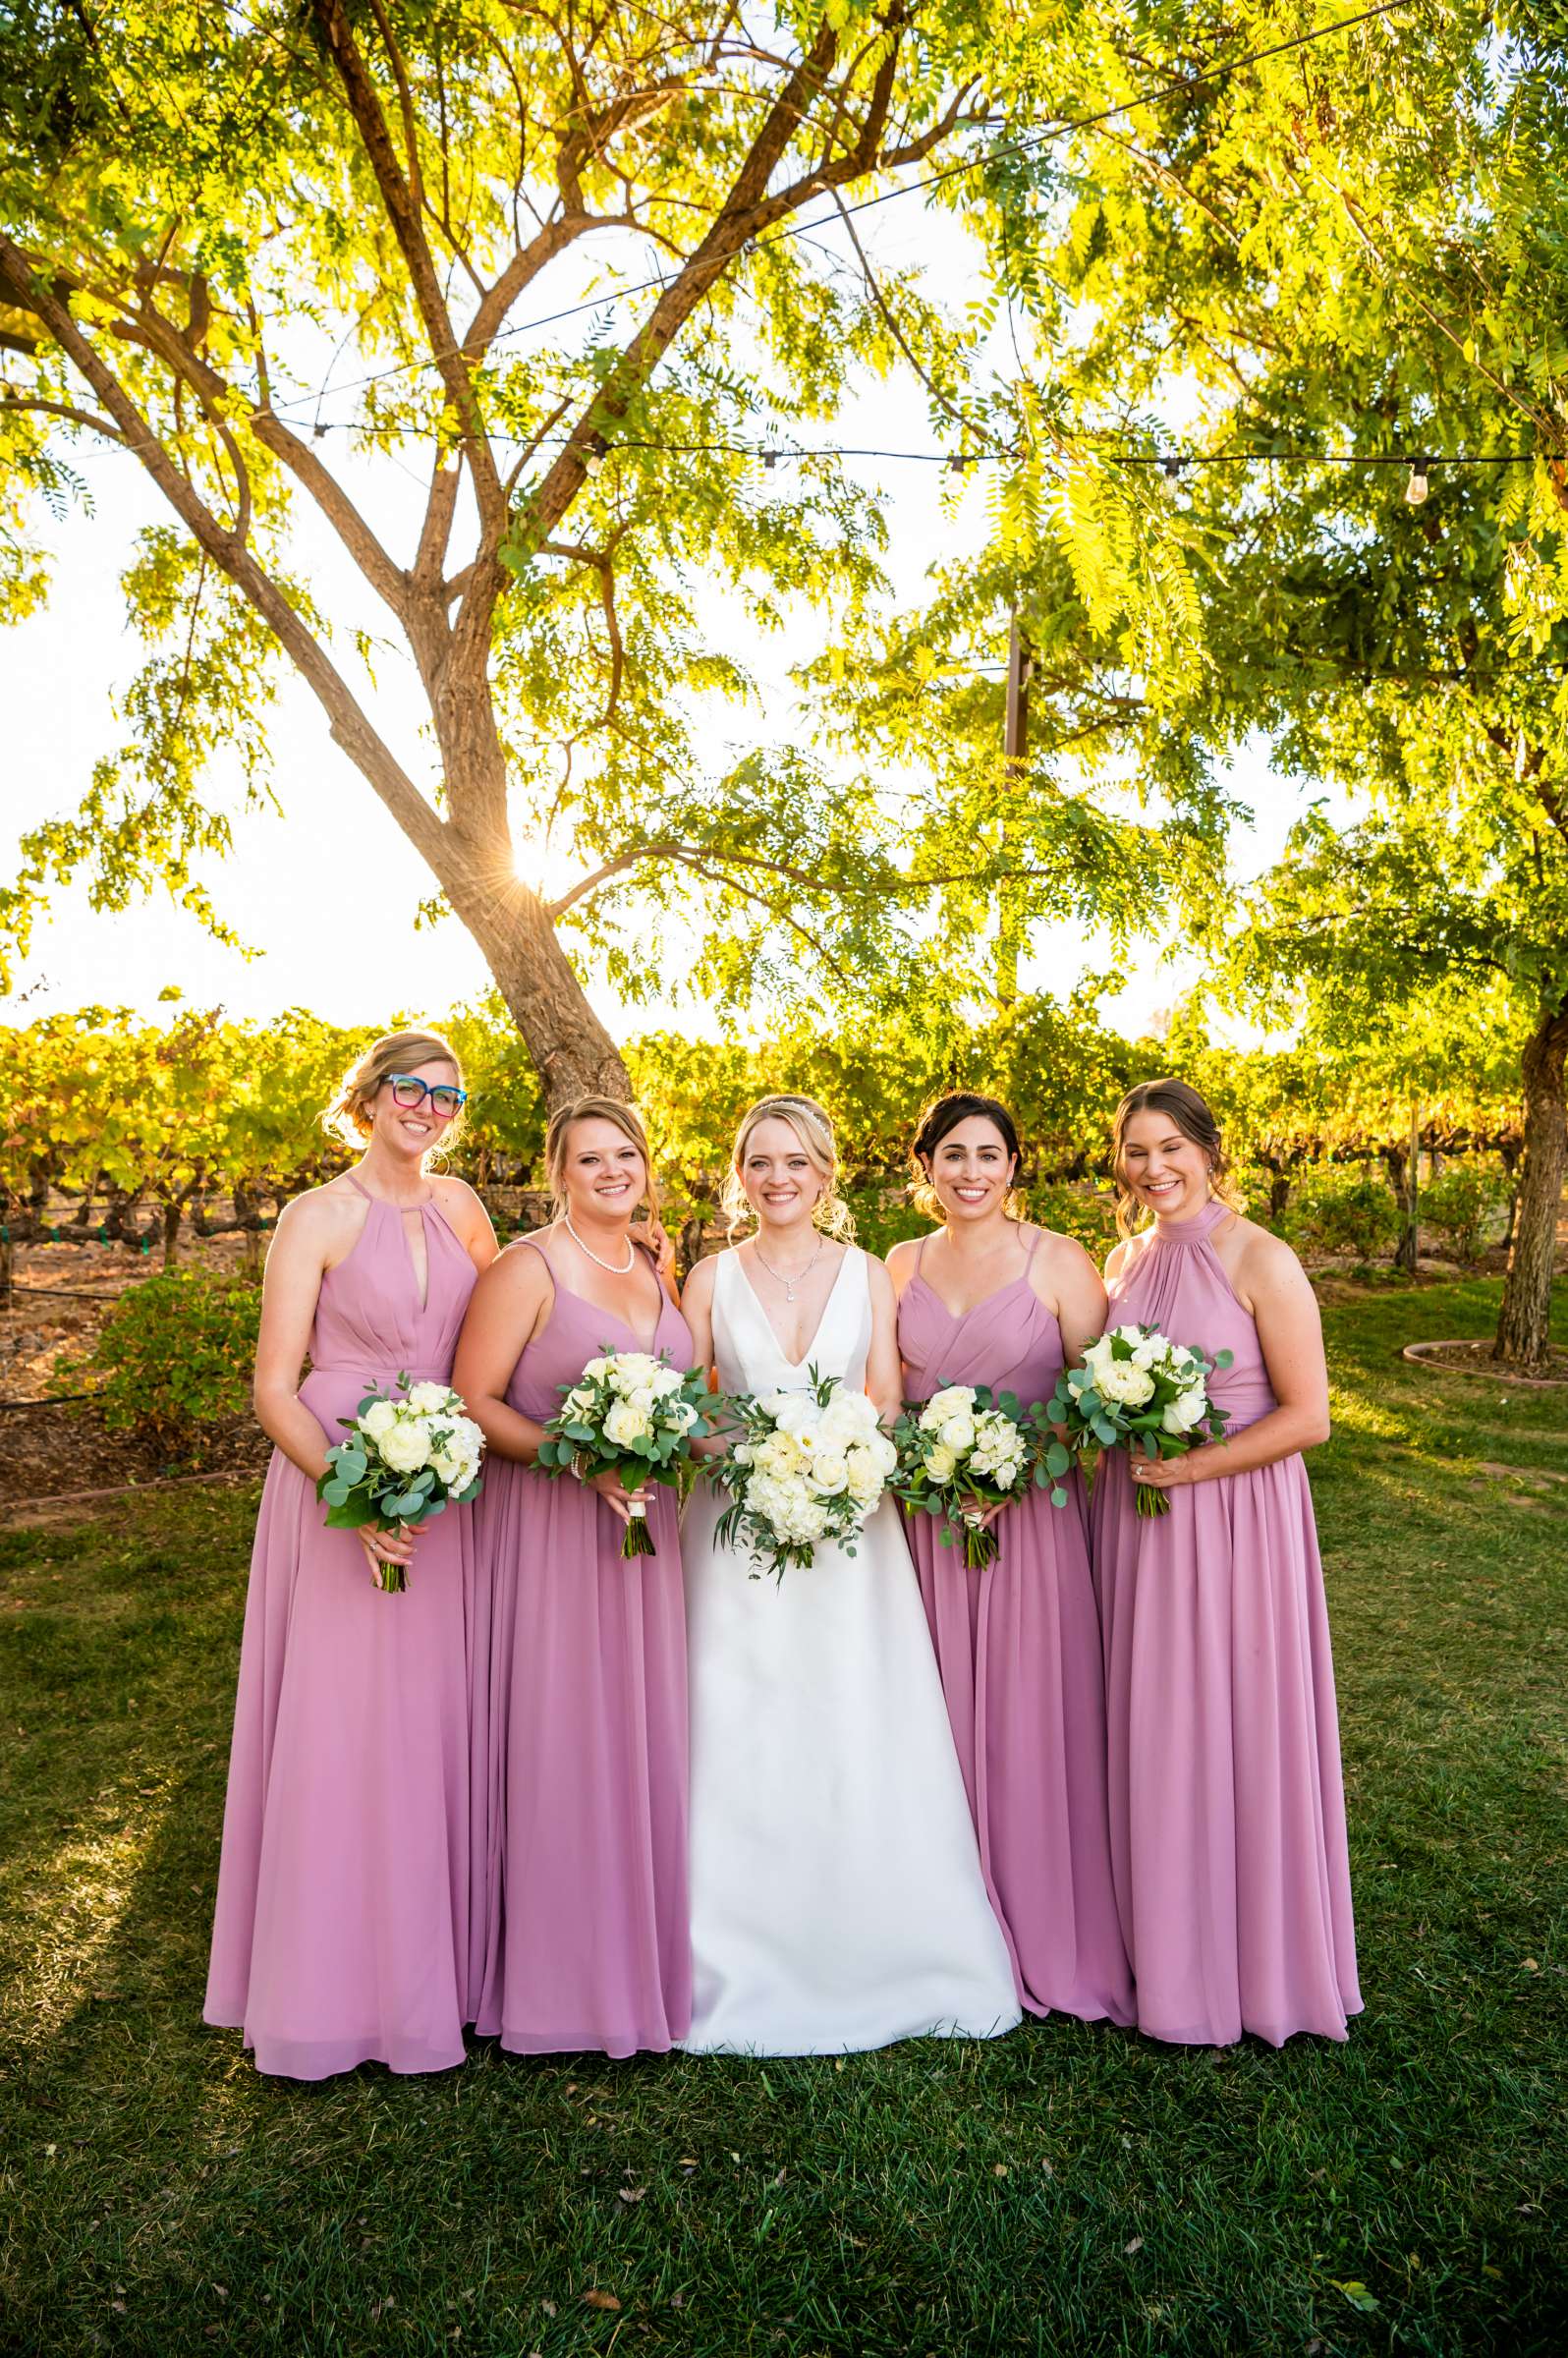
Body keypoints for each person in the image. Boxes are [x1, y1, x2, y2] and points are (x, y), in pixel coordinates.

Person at [677, 1093, 1020, 2055]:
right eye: (761, 1162)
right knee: (740, 1720)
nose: (779, 1178)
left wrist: (836, 1467)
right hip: (736, 1531)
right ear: (739, 1175)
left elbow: (883, 1398)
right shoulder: (710, 1276)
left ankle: (884, 1936)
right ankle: (730, 1947)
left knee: (852, 1717)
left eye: (797, 1162)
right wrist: (755, 1458)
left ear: (826, 1176)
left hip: (850, 1530)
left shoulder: (871, 1272)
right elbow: (697, 1400)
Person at [205, 1030, 496, 2077]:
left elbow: (510, 1324)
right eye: (409, 1089)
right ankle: (327, 1990)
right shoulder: (314, 1217)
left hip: (448, 1498)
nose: (426, 1108)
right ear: (370, 1099)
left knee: (431, 1726)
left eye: (447, 1097)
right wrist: (350, 1493)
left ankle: (437, 1977)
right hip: (337, 1491)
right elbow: (273, 1386)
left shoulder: (465, 1209)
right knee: (341, 1730)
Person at [1093, 1078, 1361, 2046]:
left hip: (1236, 1519)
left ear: (1209, 1149)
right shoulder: (1120, 1260)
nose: (1155, 1168)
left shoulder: (1262, 1256)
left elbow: (1310, 1415)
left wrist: (1195, 1466)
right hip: (1137, 1523)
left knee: (1235, 1720)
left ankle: (1253, 1963)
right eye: (1137, 1151)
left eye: (1171, 1148)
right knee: (1158, 1724)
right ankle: (1161, 1949)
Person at [454, 1097, 692, 2057]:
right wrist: (573, 1459)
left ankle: (636, 1955)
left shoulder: (652, 1262)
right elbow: (472, 1400)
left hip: (646, 1533)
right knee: (562, 1737)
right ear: (557, 1172)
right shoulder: (527, 1267)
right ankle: (557, 1981)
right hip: (555, 1530)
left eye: (624, 1154)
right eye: (589, 1159)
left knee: (637, 1735)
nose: (610, 1171)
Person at [889, 1093, 1133, 2027]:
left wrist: (1015, 1468)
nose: (971, 1172)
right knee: (933, 1723)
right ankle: (943, 1926)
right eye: (953, 1155)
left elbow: (1096, 1406)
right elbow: (889, 1402)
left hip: (1030, 1530)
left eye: (989, 1155)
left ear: (1014, 1165)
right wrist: (930, 1466)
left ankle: (1044, 1927)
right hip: (928, 1528)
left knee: (1036, 1722)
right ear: (927, 1167)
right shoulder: (898, 1264)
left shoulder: (1060, 1262)